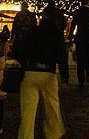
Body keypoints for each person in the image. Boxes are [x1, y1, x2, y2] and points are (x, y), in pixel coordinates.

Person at [17, 10, 67, 139]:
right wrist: (64, 76)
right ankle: (54, 134)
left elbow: (22, 52)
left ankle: (26, 136)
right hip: (48, 74)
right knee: (52, 107)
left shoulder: (33, 31)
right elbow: (62, 56)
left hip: (30, 72)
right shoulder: (56, 33)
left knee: (27, 112)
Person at [68, 0, 89, 87]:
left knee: (80, 58)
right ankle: (88, 74)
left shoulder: (77, 12)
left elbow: (73, 25)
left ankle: (80, 79)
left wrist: (70, 36)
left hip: (80, 37)